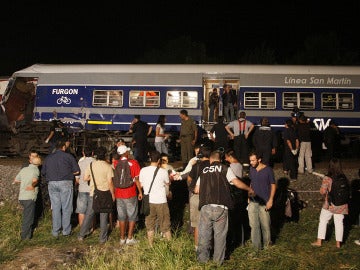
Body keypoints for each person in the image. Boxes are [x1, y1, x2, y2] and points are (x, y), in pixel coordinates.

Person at [195, 150, 254, 265]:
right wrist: (249, 189)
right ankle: (218, 263)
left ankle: (202, 262)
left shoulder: (204, 171)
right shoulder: (224, 168)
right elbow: (236, 182)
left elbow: (197, 190)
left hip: (206, 207)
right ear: (220, 159)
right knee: (220, 237)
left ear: (210, 160)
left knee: (204, 236)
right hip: (221, 208)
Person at [41, 139, 80, 238]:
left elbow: (43, 172)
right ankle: (66, 231)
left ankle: (55, 231)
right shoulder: (69, 156)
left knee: (56, 207)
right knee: (66, 208)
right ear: (63, 147)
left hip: (52, 183)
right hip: (65, 183)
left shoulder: (48, 158)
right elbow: (77, 171)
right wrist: (68, 173)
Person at [78, 146, 115, 243]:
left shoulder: (91, 165)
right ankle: (102, 239)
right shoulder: (108, 166)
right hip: (105, 193)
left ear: (96, 155)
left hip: (93, 193)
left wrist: (94, 179)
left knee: (89, 214)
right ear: (105, 155)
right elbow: (110, 182)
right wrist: (112, 194)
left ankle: (81, 235)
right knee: (104, 216)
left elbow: (85, 178)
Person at [311, 158, 349, 248]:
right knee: (339, 223)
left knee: (323, 220)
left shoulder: (328, 178)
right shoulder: (343, 177)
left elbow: (322, 191)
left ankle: (319, 241)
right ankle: (338, 244)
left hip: (330, 204)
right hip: (342, 204)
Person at [139, 150, 172, 247]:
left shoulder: (143, 170)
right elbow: (167, 183)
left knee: (150, 225)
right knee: (165, 225)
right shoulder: (163, 171)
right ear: (158, 160)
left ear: (150, 159)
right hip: (161, 200)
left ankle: (150, 245)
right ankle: (169, 245)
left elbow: (141, 184)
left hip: (149, 201)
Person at [247, 151, 276, 250]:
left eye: (253, 160)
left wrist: (270, 200)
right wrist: (248, 196)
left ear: (259, 159)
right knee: (254, 226)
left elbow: (273, 185)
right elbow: (251, 182)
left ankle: (267, 246)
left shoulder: (268, 170)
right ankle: (256, 248)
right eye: (250, 160)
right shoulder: (251, 169)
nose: (251, 162)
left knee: (265, 225)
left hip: (264, 201)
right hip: (253, 201)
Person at [115, 144, 143, 245]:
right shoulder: (134, 163)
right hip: (130, 192)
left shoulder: (116, 163)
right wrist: (140, 192)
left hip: (118, 193)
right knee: (132, 215)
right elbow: (136, 179)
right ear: (126, 153)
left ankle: (122, 238)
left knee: (121, 216)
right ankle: (129, 238)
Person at [187, 146, 211, 251]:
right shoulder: (211, 166)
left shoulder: (196, 166)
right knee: (209, 223)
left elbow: (189, 178)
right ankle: (208, 246)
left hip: (195, 197)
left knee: (197, 224)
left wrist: (191, 188)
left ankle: (197, 247)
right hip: (208, 197)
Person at [13, 156, 42, 240]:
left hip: (22, 196)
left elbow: (16, 180)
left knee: (27, 216)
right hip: (29, 197)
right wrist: (32, 186)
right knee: (28, 218)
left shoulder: (24, 169)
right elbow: (35, 181)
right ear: (39, 164)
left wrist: (25, 182)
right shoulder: (35, 170)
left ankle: (26, 235)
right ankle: (25, 237)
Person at [75, 147, 95, 228]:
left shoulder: (80, 163)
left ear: (83, 153)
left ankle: (82, 228)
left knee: (81, 210)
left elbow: (77, 180)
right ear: (93, 153)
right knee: (92, 210)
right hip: (92, 189)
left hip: (82, 189)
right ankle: (92, 228)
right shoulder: (95, 162)